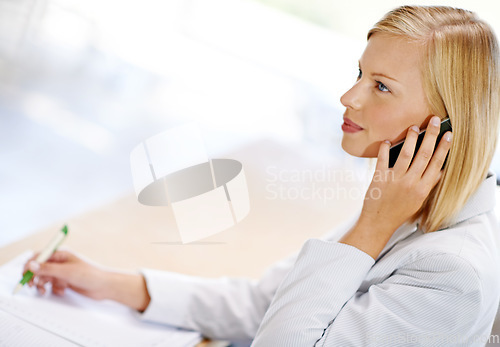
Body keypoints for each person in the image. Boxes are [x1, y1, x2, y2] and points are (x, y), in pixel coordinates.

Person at [22, 5, 500, 346]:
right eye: (360, 73)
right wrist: (113, 284)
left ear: (447, 126)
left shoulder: (452, 273)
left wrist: (370, 228)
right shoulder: (408, 200)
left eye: (380, 86)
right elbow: (268, 304)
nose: (349, 97)